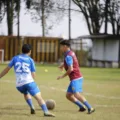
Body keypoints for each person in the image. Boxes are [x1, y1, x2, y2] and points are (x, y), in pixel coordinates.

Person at [0, 44, 55, 117]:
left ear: (22, 50)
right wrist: (32, 82)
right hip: (29, 82)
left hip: (19, 85)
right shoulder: (30, 60)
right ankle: (46, 111)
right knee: (39, 97)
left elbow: (6, 70)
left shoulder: (15, 58)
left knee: (26, 93)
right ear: (30, 51)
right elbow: (33, 74)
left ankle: (32, 107)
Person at [57, 40, 95, 114]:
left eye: (61, 46)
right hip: (75, 78)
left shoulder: (68, 55)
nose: (60, 48)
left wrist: (62, 76)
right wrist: (62, 65)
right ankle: (81, 107)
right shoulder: (70, 53)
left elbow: (70, 69)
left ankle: (90, 108)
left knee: (76, 95)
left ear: (65, 46)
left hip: (75, 78)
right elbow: (71, 62)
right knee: (68, 95)